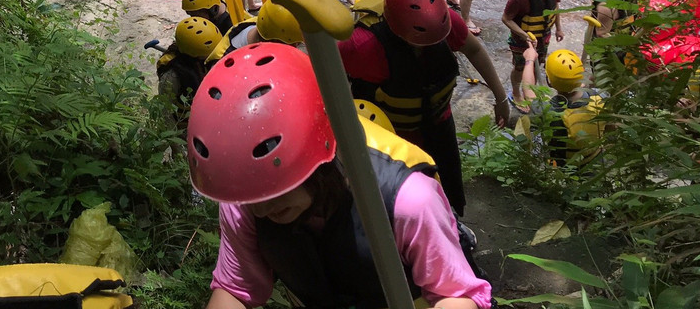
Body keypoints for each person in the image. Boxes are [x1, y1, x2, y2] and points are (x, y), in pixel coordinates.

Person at [188, 42, 493, 309]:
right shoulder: (243, 199)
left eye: (273, 191)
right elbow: (235, 290)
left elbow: (458, 294)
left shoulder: (410, 200)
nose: (260, 209)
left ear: (318, 159)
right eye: (250, 198)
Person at [339, 0, 510, 215]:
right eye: (420, 42)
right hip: (392, 136)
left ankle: (454, 222)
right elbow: (322, 73)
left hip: (439, 121)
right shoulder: (361, 45)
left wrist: (501, 99)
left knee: (449, 187)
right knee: (402, 202)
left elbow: (473, 48)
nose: (428, 46)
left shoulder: (445, 22)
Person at [517, 47, 607, 166]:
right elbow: (610, 127)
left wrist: (529, 60)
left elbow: (528, 91)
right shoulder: (600, 97)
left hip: (564, 166)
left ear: (549, 82)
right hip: (595, 159)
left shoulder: (549, 112)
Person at [502, 0, 564, 100]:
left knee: (538, 64)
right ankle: (516, 92)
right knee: (520, 67)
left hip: (543, 35)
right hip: (521, 40)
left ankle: (531, 91)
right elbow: (506, 19)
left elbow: (555, 7)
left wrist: (558, 28)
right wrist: (524, 35)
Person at [157, 17, 226, 117]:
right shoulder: (172, 77)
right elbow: (165, 109)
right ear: (195, 55)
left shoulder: (203, 58)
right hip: (184, 124)